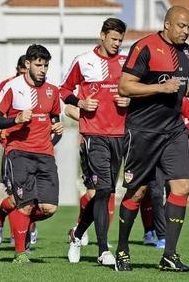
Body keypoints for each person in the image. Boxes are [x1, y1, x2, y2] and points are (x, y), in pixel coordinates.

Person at [116, 6, 189, 272]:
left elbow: (177, 80)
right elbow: (125, 86)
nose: (186, 31)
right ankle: (121, 249)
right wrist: (159, 88)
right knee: (138, 191)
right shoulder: (145, 47)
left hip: (174, 130)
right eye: (181, 26)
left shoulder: (186, 51)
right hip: (143, 131)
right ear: (167, 24)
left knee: (182, 187)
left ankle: (169, 255)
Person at [61, 17, 129, 267]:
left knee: (107, 191)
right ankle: (103, 250)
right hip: (93, 134)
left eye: (121, 40)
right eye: (113, 39)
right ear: (102, 36)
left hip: (120, 135)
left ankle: (77, 235)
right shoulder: (83, 61)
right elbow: (63, 90)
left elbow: (138, 90)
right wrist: (80, 103)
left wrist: (131, 101)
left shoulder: (127, 62)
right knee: (102, 189)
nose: (117, 44)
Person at [0, 44, 63, 263]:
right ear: (27, 64)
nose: (43, 69)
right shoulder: (12, 87)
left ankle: (4, 214)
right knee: (26, 203)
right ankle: (20, 253)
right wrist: (15, 119)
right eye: (38, 64)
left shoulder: (52, 90)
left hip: (45, 154)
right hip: (18, 152)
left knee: (49, 208)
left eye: (46, 65)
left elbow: (56, 122)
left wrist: (57, 130)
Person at [141, 97, 189, 250]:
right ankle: (160, 236)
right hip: (152, 152)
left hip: (173, 153)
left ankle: (168, 234)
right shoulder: (148, 99)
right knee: (155, 193)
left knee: (174, 193)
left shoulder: (181, 99)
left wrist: (182, 132)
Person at [0, 55, 29, 245]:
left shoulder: (42, 87)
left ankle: (25, 233)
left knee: (34, 196)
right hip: (13, 147)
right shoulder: (8, 85)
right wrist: (5, 130)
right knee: (16, 195)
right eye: (22, 72)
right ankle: (1, 221)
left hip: (36, 149)